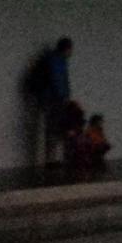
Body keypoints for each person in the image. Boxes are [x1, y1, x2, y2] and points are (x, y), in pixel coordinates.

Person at [30, 37, 74, 166]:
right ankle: (50, 159)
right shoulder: (57, 61)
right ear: (67, 48)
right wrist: (64, 96)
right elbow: (58, 81)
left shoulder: (55, 60)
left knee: (53, 128)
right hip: (54, 99)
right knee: (53, 128)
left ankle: (52, 158)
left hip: (51, 98)